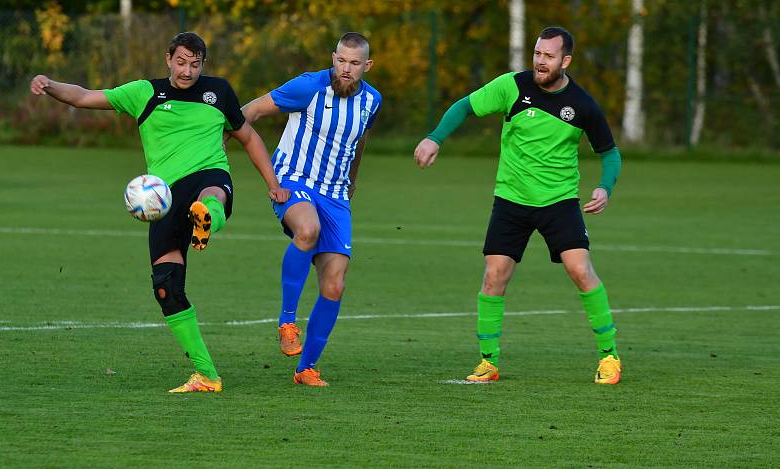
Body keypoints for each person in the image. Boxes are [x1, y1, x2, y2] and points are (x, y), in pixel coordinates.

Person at [30, 32, 289, 393]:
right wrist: (50, 84)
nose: (187, 71)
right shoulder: (144, 93)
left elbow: (248, 138)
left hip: (208, 174)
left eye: (195, 64)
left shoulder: (219, 92)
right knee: (167, 288)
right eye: (181, 62)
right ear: (168, 58)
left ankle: (207, 217)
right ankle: (207, 375)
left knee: (213, 191)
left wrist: (272, 183)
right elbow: (86, 97)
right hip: (164, 196)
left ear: (204, 64)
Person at [414, 26, 623, 384]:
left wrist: (604, 187)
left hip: (559, 202)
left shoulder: (583, 105)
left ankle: (610, 356)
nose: (540, 62)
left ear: (565, 60)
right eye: (537, 54)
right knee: (494, 276)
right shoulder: (512, 86)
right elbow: (464, 106)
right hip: (511, 199)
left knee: (580, 271)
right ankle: (488, 362)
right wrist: (435, 138)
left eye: (549, 56)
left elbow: (610, 153)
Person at [240, 32, 381, 386]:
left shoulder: (372, 101)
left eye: (353, 63)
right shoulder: (309, 87)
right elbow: (252, 110)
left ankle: (306, 369)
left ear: (367, 65)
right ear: (333, 57)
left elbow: (360, 139)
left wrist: (353, 180)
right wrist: (214, 145)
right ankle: (287, 321)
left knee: (334, 285)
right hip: (294, 180)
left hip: (335, 195)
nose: (345, 69)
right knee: (308, 230)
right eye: (340, 60)